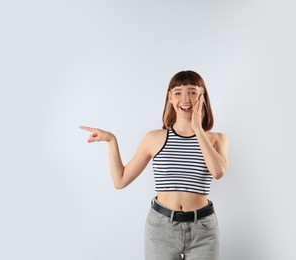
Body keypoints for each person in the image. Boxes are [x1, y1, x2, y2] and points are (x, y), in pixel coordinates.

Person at [80, 70, 228, 260]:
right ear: (170, 98)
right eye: (178, 92)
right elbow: (120, 180)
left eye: (192, 92)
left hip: (204, 229)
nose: (186, 99)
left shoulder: (217, 139)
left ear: (202, 96)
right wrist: (111, 140)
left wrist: (197, 127)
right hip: (161, 228)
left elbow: (218, 172)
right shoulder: (154, 138)